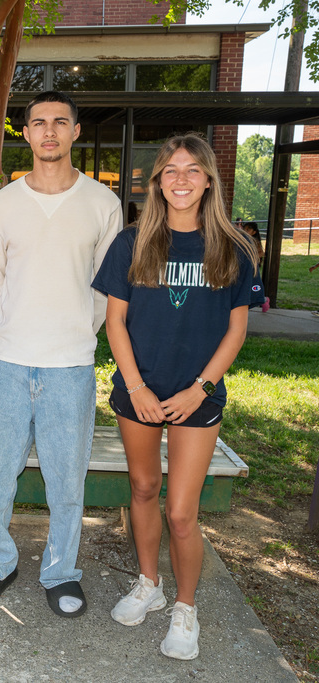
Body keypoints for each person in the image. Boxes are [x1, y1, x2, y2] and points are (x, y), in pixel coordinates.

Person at [93, 133, 257, 659]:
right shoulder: (133, 242)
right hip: (138, 390)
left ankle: (186, 607)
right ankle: (150, 584)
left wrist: (200, 389)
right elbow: (115, 322)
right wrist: (136, 386)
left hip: (197, 397)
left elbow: (235, 333)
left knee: (182, 513)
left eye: (192, 170)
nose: (181, 179)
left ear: (209, 180)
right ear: (157, 181)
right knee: (143, 489)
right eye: (170, 170)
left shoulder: (232, 248)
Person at [0, 91, 122, 617]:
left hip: (71, 366)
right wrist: (12, 331)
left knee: (66, 478)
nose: (49, 131)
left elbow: (106, 286)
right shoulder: (4, 203)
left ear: (76, 131)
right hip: (10, 363)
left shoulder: (103, 203)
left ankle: (61, 573)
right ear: (25, 134)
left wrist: (79, 330)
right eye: (38, 123)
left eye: (60, 122)